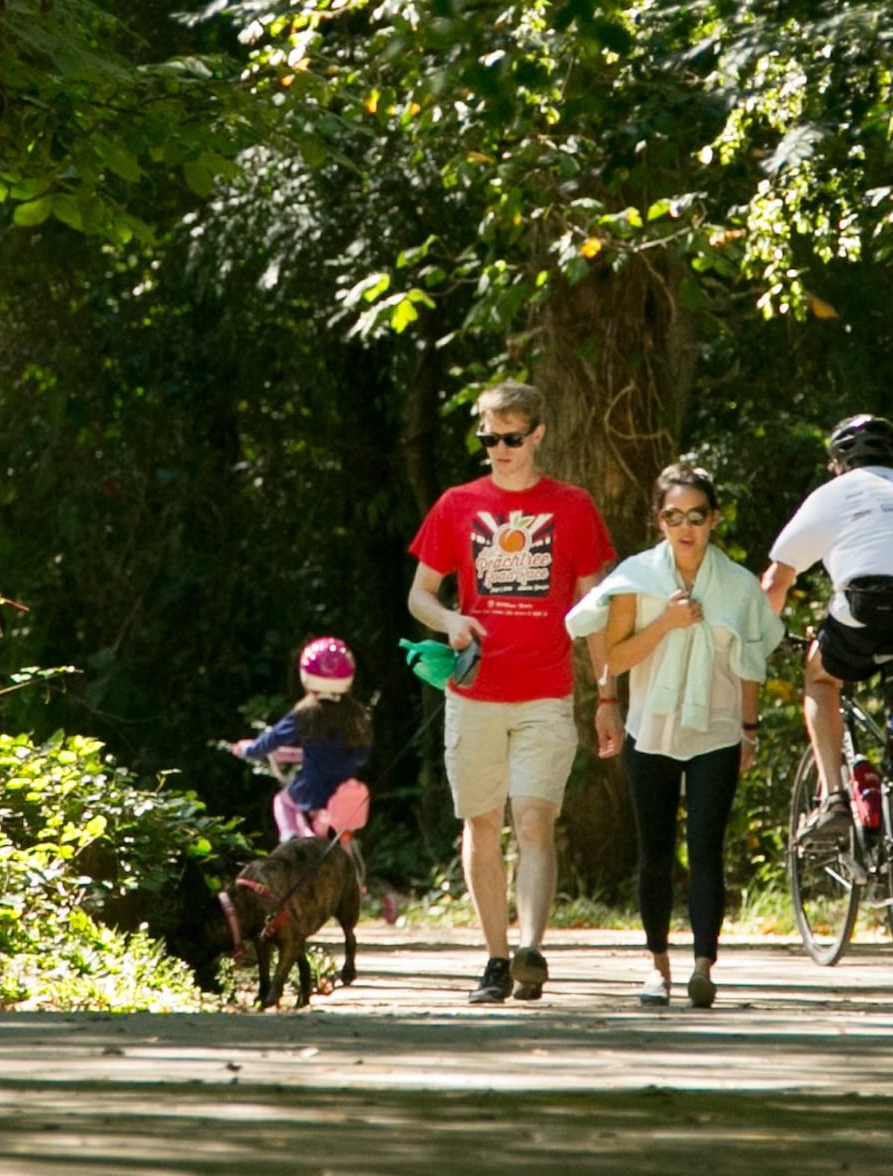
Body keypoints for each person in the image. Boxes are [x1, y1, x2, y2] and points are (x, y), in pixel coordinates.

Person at [407, 380, 613, 1005]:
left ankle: (530, 950)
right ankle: (495, 959)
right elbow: (420, 594)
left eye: (511, 438)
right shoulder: (456, 504)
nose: (498, 449)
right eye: (488, 438)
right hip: (473, 693)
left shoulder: (573, 507)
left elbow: (597, 608)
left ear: (538, 434)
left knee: (533, 819)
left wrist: (608, 695)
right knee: (481, 822)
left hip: (546, 692)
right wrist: (450, 621)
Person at [572, 462, 776, 1009]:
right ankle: (656, 966)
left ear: (714, 519)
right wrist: (665, 622)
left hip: (717, 729)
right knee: (655, 851)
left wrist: (749, 731)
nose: (685, 528)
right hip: (650, 730)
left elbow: (751, 663)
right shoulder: (636, 579)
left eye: (697, 516)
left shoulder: (736, 585)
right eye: (672, 516)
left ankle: (704, 966)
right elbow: (611, 657)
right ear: (657, 520)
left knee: (707, 848)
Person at [761, 414, 893, 820]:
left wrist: (759, 635)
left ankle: (835, 799)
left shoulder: (833, 493)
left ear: (838, 463)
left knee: (820, 677)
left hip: (866, 613)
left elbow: (777, 581)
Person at [229, 638, 374, 844]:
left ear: (306, 676)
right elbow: (360, 757)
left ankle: (290, 839)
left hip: (312, 792)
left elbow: (268, 743)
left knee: (282, 801)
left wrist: (247, 749)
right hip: (345, 794)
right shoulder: (357, 716)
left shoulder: (305, 714)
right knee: (345, 839)